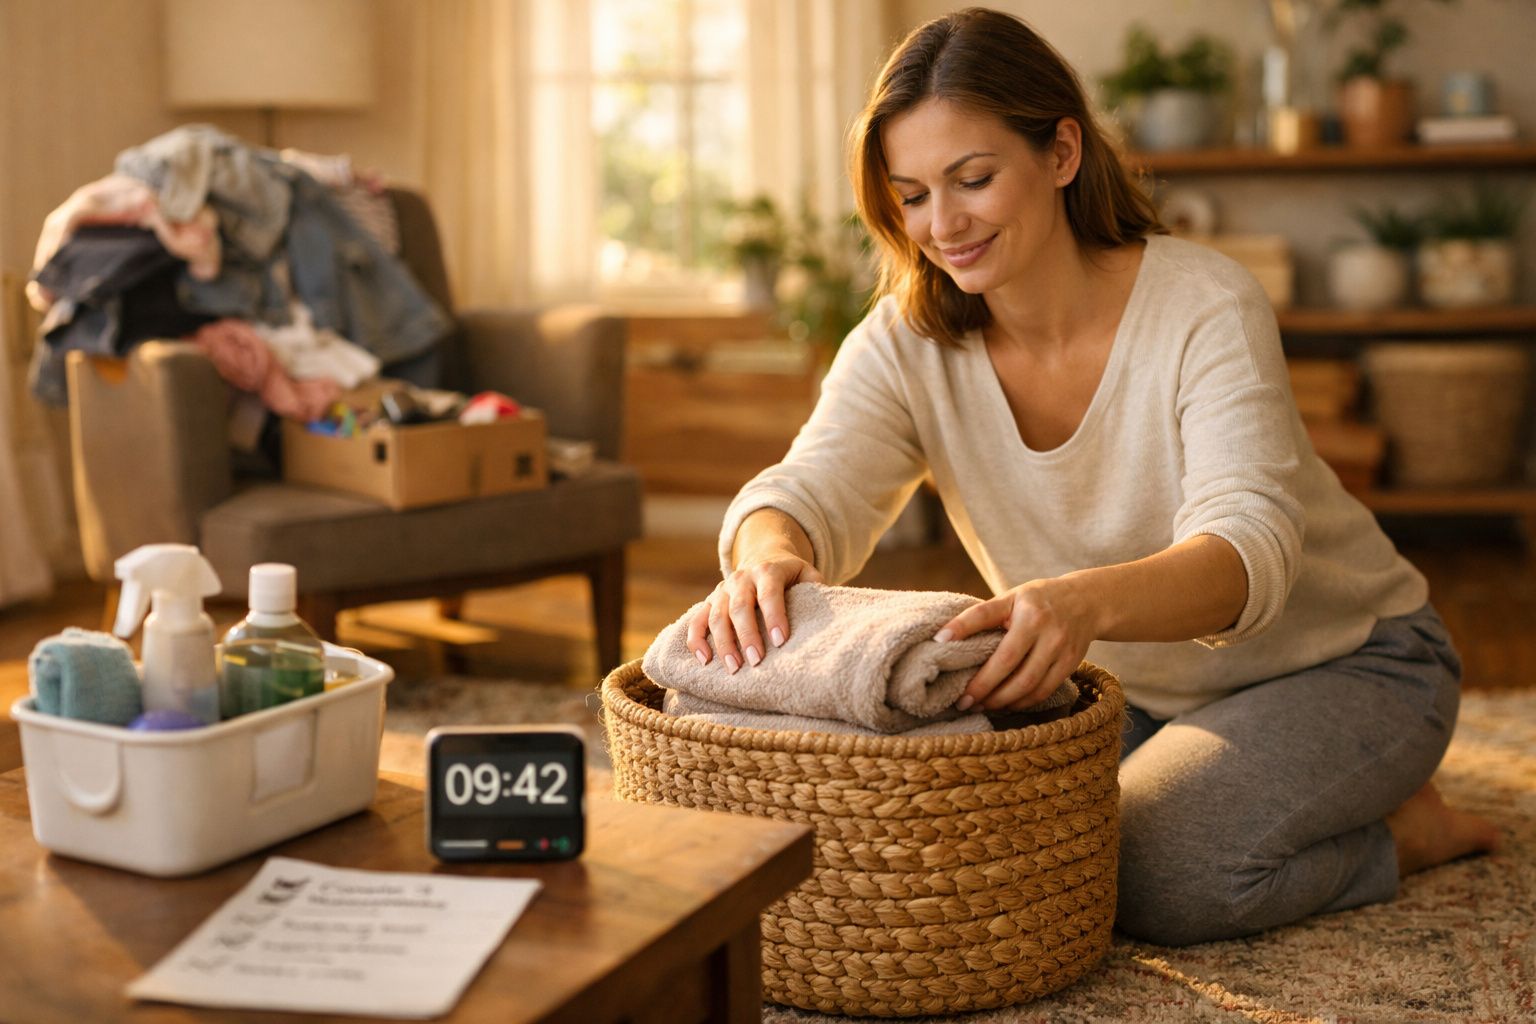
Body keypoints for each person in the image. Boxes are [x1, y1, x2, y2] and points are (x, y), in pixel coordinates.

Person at [684, 7, 1499, 946]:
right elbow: (808, 490)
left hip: (1352, 662)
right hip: (1124, 698)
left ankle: (1408, 830)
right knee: (943, 856)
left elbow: (1250, 548)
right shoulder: (909, 339)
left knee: (1153, 871)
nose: (942, 225)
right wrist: (766, 557)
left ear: (1062, 151)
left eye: (974, 179)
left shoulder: (1204, 305)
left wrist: (1082, 605)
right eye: (911, 195)